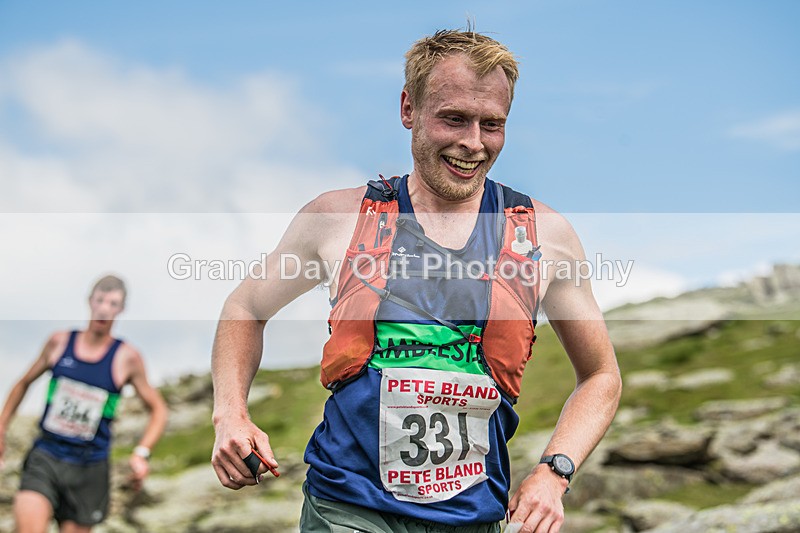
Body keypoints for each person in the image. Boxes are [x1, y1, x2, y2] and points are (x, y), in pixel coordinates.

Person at [211, 29, 621, 533]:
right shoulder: (338, 217)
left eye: (492, 124)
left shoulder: (545, 236)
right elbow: (246, 307)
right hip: (348, 504)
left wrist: (553, 473)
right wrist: (230, 414)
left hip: (472, 516)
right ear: (409, 109)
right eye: (454, 119)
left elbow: (601, 376)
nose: (473, 143)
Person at [0, 275, 168, 533]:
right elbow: (23, 383)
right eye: (100, 300)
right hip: (46, 455)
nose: (104, 308)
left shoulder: (127, 358)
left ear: (121, 309)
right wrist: (2, 427)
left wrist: (141, 453)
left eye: (113, 303)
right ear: (90, 301)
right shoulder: (59, 343)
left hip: (90, 467)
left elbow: (158, 409)